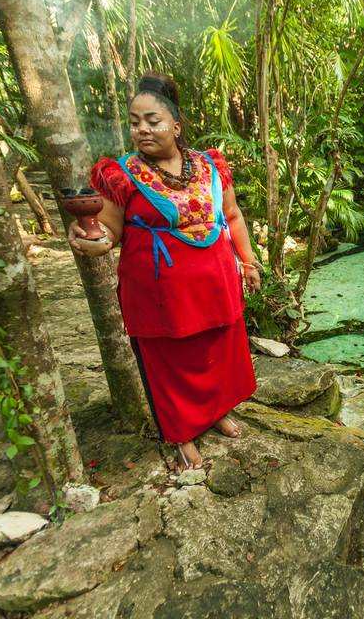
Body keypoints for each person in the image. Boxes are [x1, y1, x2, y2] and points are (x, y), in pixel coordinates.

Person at [68, 72, 261, 472]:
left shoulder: (210, 165)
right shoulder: (120, 175)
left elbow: (233, 215)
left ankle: (215, 412)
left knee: (217, 352)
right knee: (168, 360)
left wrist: (248, 260)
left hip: (216, 280)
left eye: (152, 121)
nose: (141, 130)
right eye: (135, 121)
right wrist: (93, 239)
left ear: (176, 125)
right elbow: (109, 231)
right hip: (159, 291)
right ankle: (181, 433)